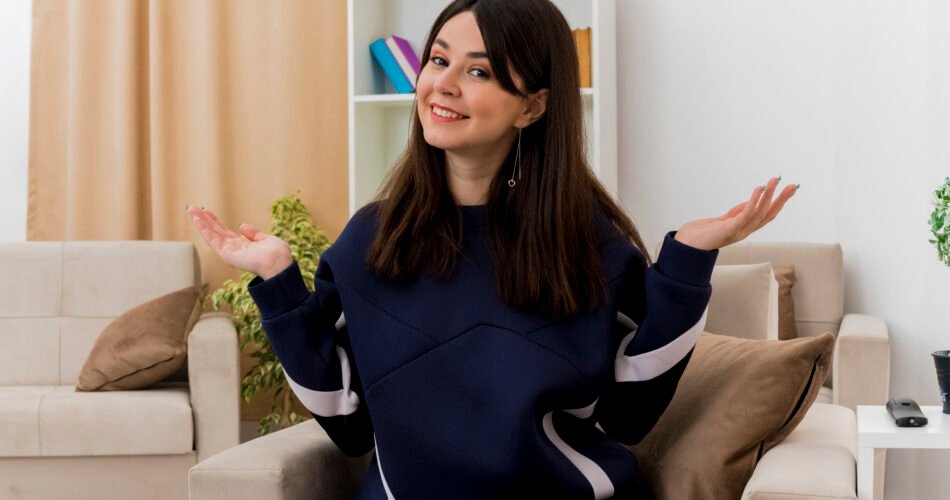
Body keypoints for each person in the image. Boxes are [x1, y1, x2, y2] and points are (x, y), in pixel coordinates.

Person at [187, 0, 797, 498]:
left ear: (532, 106)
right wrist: (276, 280)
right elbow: (347, 425)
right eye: (437, 60)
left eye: (477, 72)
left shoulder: (587, 240)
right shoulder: (372, 240)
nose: (441, 86)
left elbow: (630, 414)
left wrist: (688, 258)